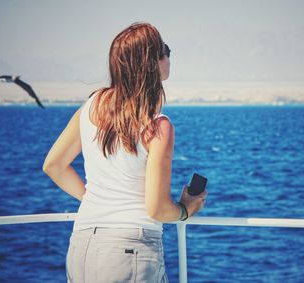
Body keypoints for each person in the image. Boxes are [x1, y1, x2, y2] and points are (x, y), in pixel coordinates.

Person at [43, 22, 207, 283]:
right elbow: (157, 209)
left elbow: (53, 165)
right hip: (130, 252)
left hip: (82, 246)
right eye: (165, 50)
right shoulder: (158, 126)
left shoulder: (91, 105)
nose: (168, 55)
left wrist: (96, 200)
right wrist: (186, 209)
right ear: (151, 62)